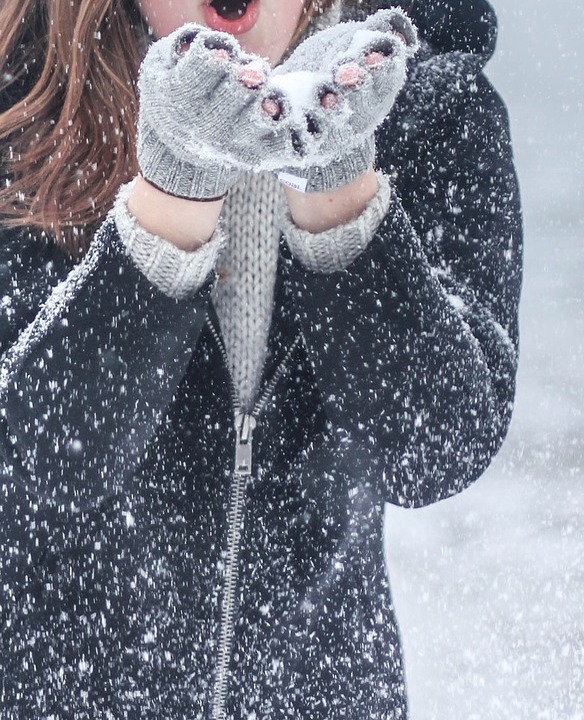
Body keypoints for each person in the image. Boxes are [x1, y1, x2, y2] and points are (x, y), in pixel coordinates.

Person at [0, 0, 521, 716]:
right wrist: (173, 194)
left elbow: (436, 449)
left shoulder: (431, 106)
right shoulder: (20, 103)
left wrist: (338, 184)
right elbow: (30, 467)